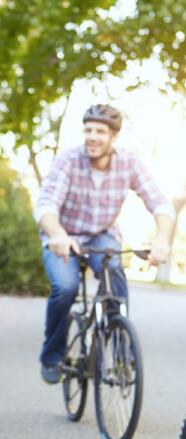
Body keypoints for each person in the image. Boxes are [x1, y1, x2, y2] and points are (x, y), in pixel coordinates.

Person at [35, 103, 174, 384]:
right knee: (66, 287)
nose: (92, 136)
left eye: (100, 131)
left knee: (114, 276)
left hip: (102, 235)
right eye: (88, 130)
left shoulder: (129, 163)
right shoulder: (68, 160)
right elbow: (46, 205)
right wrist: (58, 234)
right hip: (64, 236)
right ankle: (52, 356)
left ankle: (121, 350)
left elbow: (160, 203)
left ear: (114, 137)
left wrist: (162, 238)